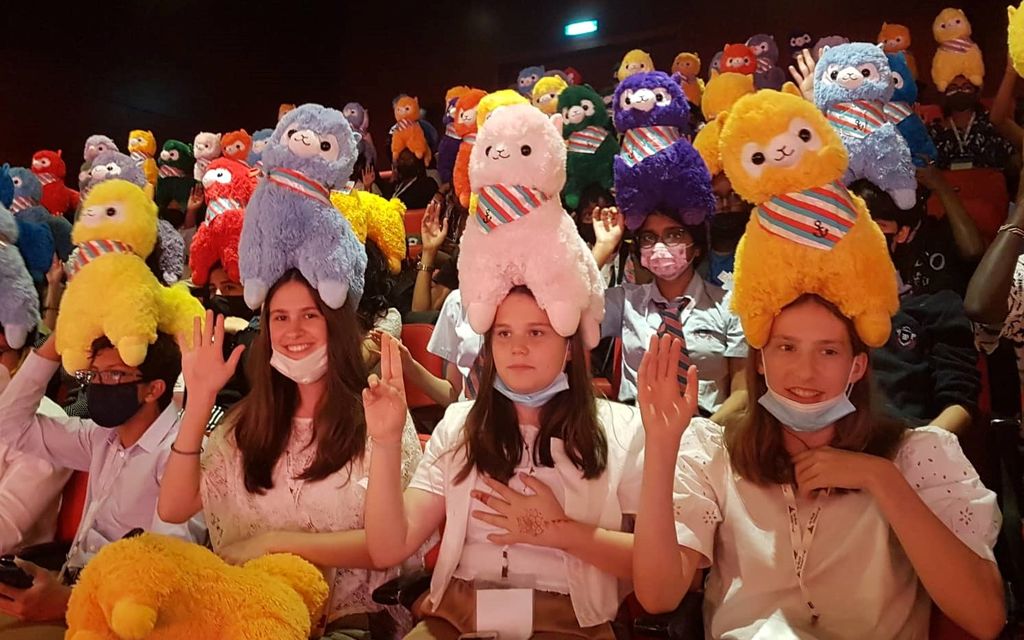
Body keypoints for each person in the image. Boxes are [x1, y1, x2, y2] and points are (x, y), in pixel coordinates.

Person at [633, 294, 1004, 639]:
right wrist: (662, 445)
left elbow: (985, 617)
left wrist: (881, 478)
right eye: (787, 347)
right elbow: (658, 596)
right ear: (760, 360)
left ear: (857, 366)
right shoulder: (714, 450)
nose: (805, 372)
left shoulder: (917, 454)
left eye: (828, 351)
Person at [364, 286, 644, 639]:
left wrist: (562, 532)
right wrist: (386, 441)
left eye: (536, 332)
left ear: (570, 345)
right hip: (457, 613)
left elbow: (653, 567)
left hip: (570, 621)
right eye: (504, 333)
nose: (517, 348)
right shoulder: (460, 425)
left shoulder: (621, 429)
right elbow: (388, 547)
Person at [158, 271, 422, 638]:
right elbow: (173, 507)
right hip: (249, 612)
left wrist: (274, 543)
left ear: (336, 324)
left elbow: (389, 546)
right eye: (280, 317)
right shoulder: (247, 423)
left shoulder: (378, 415)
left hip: (351, 621)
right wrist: (200, 399)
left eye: (309, 315)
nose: (293, 331)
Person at [0, 330, 202, 629]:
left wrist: (64, 601)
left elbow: (164, 582)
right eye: (93, 375)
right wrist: (61, 337)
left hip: (122, 619)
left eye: (113, 375)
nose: (98, 385)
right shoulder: (102, 437)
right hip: (71, 586)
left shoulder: (182, 458)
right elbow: (10, 427)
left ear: (153, 389)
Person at [596, 209, 749, 424]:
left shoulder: (728, 306)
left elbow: (742, 392)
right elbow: (565, 313)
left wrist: (702, 433)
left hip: (707, 426)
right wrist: (603, 247)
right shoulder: (625, 301)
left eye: (674, 234)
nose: (660, 246)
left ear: (696, 246)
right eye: (649, 237)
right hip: (634, 426)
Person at [852, 180, 980, 434]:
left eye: (877, 225)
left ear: (902, 233)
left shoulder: (936, 306)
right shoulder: (822, 306)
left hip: (909, 437)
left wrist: (920, 445)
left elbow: (960, 401)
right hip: (830, 441)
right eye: (851, 226)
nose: (861, 236)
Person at [0, 329, 70, 555]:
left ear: (24, 357)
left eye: (0, 353)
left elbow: (5, 529)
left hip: (14, 565)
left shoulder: (49, 425)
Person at [928, 74, 1016, 174]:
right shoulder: (934, 132)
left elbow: (1011, 161)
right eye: (953, 88)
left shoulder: (991, 125)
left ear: (976, 93)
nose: (960, 91)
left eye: (966, 87)